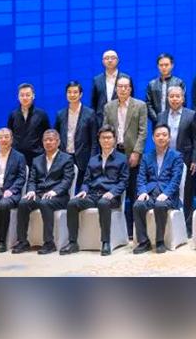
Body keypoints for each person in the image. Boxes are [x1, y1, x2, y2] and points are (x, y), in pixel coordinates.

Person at [61, 126, 129, 256]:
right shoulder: (93, 160)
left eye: (109, 137)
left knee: (103, 203)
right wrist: (84, 190)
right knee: (72, 203)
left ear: (114, 139)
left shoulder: (121, 159)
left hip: (110, 197)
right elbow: (86, 180)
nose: (106, 140)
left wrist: (112, 192)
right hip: (93, 195)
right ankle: (73, 242)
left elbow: (124, 182)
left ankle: (106, 242)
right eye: (103, 138)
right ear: (99, 140)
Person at [12, 129, 75, 255]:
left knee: (45, 203)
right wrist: (31, 191)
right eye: (45, 140)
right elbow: (32, 180)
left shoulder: (67, 159)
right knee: (23, 203)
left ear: (58, 142)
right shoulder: (37, 160)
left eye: (51, 140)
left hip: (59, 197)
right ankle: (23, 241)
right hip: (39, 194)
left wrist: (55, 191)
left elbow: (67, 181)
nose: (48, 142)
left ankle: (49, 243)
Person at [103, 74, 147, 237]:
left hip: (132, 154)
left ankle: (136, 230)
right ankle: (118, 231)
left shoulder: (140, 105)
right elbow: (105, 131)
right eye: (120, 86)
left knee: (134, 192)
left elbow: (143, 132)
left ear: (130, 89)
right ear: (116, 89)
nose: (122, 89)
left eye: (125, 87)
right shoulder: (109, 107)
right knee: (115, 191)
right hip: (114, 155)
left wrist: (137, 152)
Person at [131, 124, 184, 254]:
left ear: (169, 138)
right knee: (138, 205)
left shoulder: (176, 156)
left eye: (164, 135)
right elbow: (141, 177)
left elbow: (176, 179)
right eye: (158, 135)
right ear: (153, 138)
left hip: (168, 195)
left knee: (160, 205)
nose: (161, 137)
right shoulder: (146, 156)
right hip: (150, 193)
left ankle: (160, 241)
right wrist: (142, 192)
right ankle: (144, 242)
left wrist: (166, 194)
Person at [156, 86, 196, 234]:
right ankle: (167, 226)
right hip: (166, 159)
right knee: (166, 188)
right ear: (167, 98)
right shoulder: (161, 116)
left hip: (186, 159)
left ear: (183, 98)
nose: (174, 99)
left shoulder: (191, 115)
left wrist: (194, 160)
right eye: (172, 96)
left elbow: (195, 139)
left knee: (186, 193)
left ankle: (187, 227)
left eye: (177, 96)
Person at [54, 80, 98, 190]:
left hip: (83, 158)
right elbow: (56, 138)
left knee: (82, 190)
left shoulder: (90, 114)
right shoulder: (60, 114)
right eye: (69, 92)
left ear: (81, 94)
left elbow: (94, 141)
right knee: (64, 188)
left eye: (75, 92)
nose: (72, 95)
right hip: (65, 157)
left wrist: (92, 160)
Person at [8, 83, 50, 168]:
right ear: (18, 97)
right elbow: (10, 136)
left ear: (33, 96)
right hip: (17, 157)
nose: (25, 98)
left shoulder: (41, 114)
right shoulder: (13, 115)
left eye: (27, 95)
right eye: (22, 95)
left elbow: (47, 134)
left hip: (37, 157)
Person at [145, 53, 185, 125]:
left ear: (172, 65)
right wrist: (157, 119)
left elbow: (183, 103)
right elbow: (148, 105)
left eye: (166, 65)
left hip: (175, 121)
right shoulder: (151, 84)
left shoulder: (179, 83)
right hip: (157, 123)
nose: (163, 67)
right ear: (158, 66)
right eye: (161, 65)